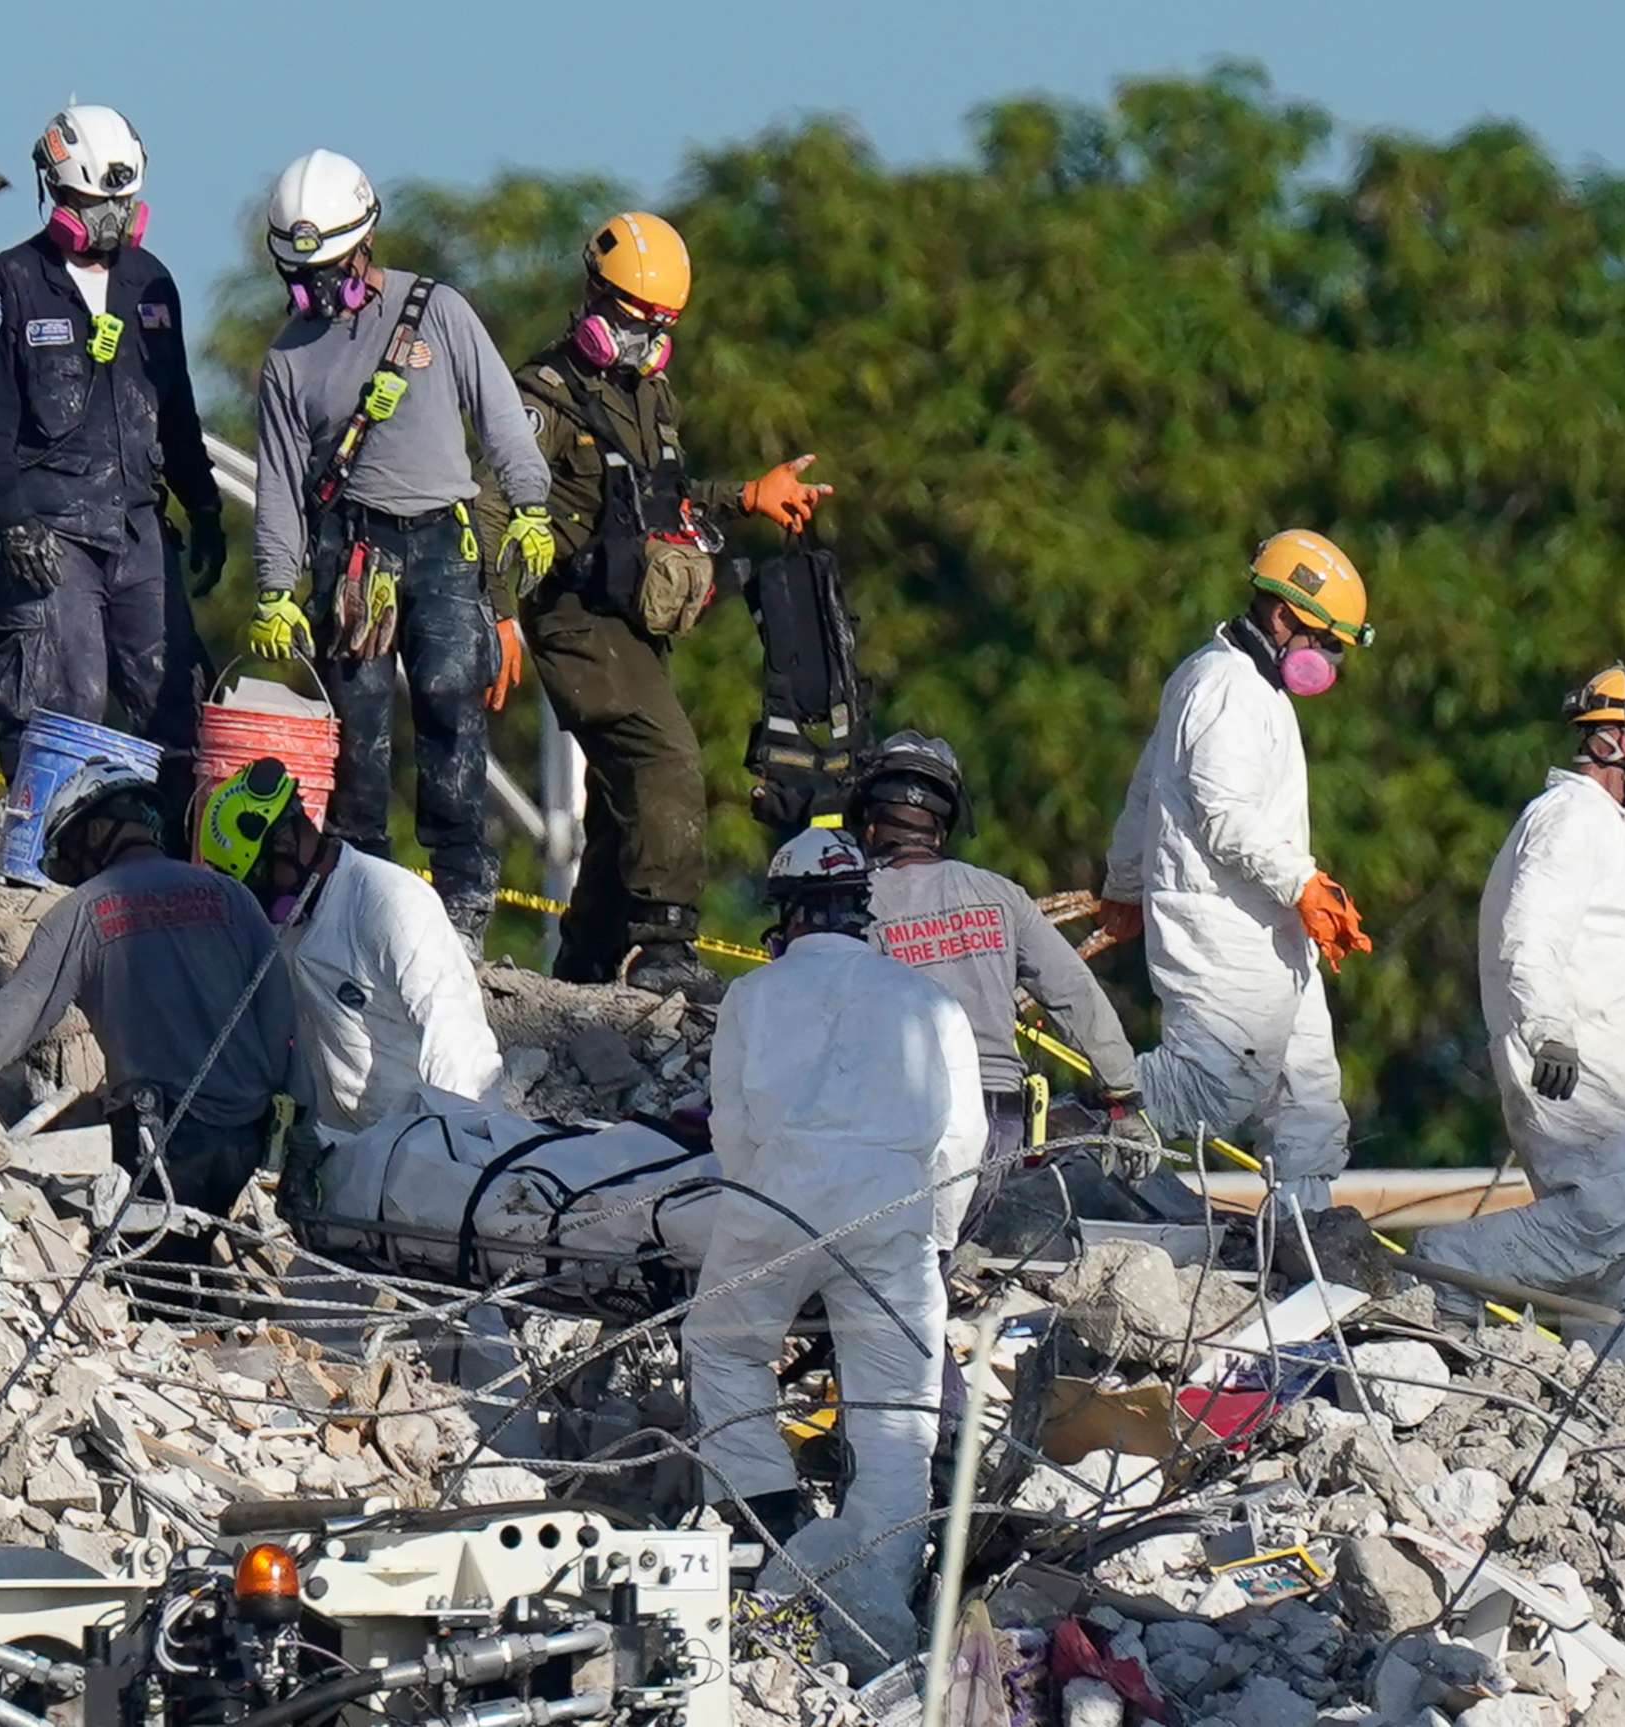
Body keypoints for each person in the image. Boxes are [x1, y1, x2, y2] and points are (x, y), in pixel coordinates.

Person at [472, 212, 830, 1000]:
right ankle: (664, 939)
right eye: (635, 320)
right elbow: (491, 508)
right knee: (666, 758)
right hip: (571, 616)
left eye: (661, 326)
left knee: (620, 793)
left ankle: (589, 958)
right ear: (594, 297)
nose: (646, 340)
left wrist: (746, 496)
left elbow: (659, 500)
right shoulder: (541, 397)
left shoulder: (649, 395)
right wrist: (498, 616)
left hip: (632, 621)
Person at [680, 828, 985, 1671]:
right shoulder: (930, 1002)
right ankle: (878, 1584)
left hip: (777, 1191)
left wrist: (769, 1218)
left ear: (784, 915)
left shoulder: (752, 996)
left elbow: (731, 1127)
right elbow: (962, 1139)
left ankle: (770, 1521)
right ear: (863, 910)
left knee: (724, 1345)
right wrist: (937, 1239)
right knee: (896, 1411)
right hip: (890, 1209)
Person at [247, 148, 551, 956]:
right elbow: (278, 483)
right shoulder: (288, 360)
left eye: (330, 267)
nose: (317, 288)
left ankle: (462, 899)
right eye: (301, 273)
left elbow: (501, 416)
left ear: (365, 245)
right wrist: (276, 587)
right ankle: (362, 894)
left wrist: (528, 503)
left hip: (443, 543)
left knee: (454, 695)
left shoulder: (435, 310)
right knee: (361, 726)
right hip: (355, 556)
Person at [0, 105, 227, 815]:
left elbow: (177, 408)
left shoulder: (151, 286)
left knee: (180, 706)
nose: (114, 218)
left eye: (123, 202)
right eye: (99, 203)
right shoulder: (5, 285)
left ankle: (176, 867)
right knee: (63, 706)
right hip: (49, 533)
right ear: (61, 196)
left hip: (137, 529)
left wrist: (203, 506)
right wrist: (10, 523)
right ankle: (53, 863)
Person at [1412, 667, 1625, 1363]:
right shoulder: (1570, 821)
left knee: (1623, 1266)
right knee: (1614, 1211)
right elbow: (1530, 929)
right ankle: (1443, 1265)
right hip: (1586, 1075)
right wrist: (1550, 1031)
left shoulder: (1601, 831)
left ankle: (1600, 1401)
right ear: (1616, 744)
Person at [1096, 530, 1376, 1213]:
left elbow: (1146, 788)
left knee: (1307, 1099)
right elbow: (1224, 815)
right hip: (1224, 923)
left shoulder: (1248, 684)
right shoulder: (1225, 687)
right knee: (1213, 1084)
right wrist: (1303, 883)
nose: (1329, 659)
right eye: (1324, 641)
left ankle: (1302, 1237)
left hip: (1273, 929)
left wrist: (1123, 884)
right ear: (1282, 615)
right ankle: (1099, 1115)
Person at [0, 760, 297, 1220]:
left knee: (132, 1259)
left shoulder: (84, 912)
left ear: (94, 833)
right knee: (197, 1259)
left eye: (71, 852)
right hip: (246, 1135)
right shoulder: (231, 896)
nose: (76, 874)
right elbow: (280, 1016)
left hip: (158, 1141)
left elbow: (9, 1022)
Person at [852, 731, 1156, 1205]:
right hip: (998, 1124)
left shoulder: (853, 907)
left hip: (903, 1121)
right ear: (943, 825)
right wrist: (1125, 1101)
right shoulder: (999, 894)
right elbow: (1076, 994)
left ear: (870, 825)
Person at [196, 756, 501, 1135]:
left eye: (260, 880)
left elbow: (453, 1033)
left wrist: (458, 1148)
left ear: (287, 842)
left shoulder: (387, 901)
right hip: (347, 1152)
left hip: (425, 1144)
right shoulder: (287, 930)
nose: (261, 900)